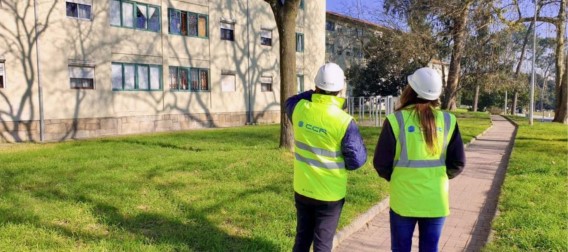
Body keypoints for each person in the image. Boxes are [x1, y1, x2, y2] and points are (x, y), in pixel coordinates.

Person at [373, 67, 466, 252]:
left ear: (411, 90)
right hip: (435, 200)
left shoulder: (395, 120)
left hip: (403, 200)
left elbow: (381, 163)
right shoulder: (448, 121)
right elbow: (458, 163)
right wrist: (438, 176)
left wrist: (398, 177)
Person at [285, 63, 367, 252]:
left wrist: (313, 94)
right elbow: (356, 161)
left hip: (303, 188)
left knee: (302, 238)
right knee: (322, 244)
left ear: (316, 86)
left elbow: (291, 100)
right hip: (330, 194)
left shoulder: (299, 109)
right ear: (340, 89)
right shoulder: (344, 121)